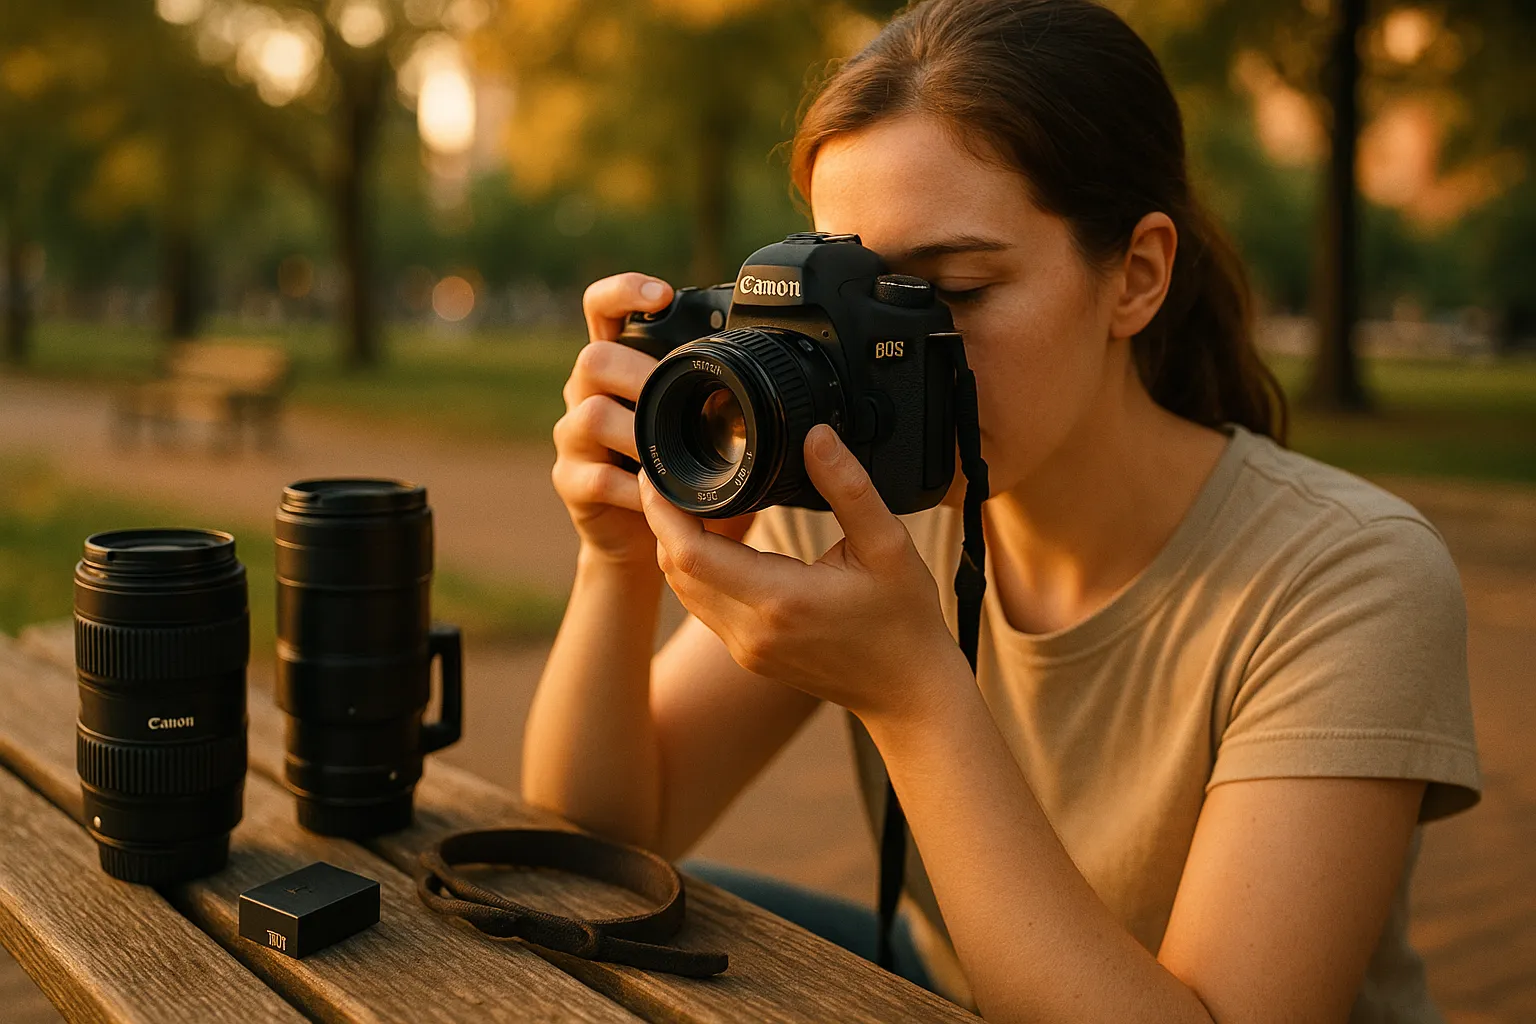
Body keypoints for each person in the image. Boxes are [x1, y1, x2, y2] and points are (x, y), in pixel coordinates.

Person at [522, 1, 1481, 1020]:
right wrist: (618, 560)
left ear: (1138, 276)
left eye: (952, 291)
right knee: (583, 939)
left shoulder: (1348, 576)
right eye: (841, 297)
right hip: (962, 988)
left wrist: (914, 694)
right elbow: (596, 841)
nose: (873, 355)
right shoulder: (863, 496)